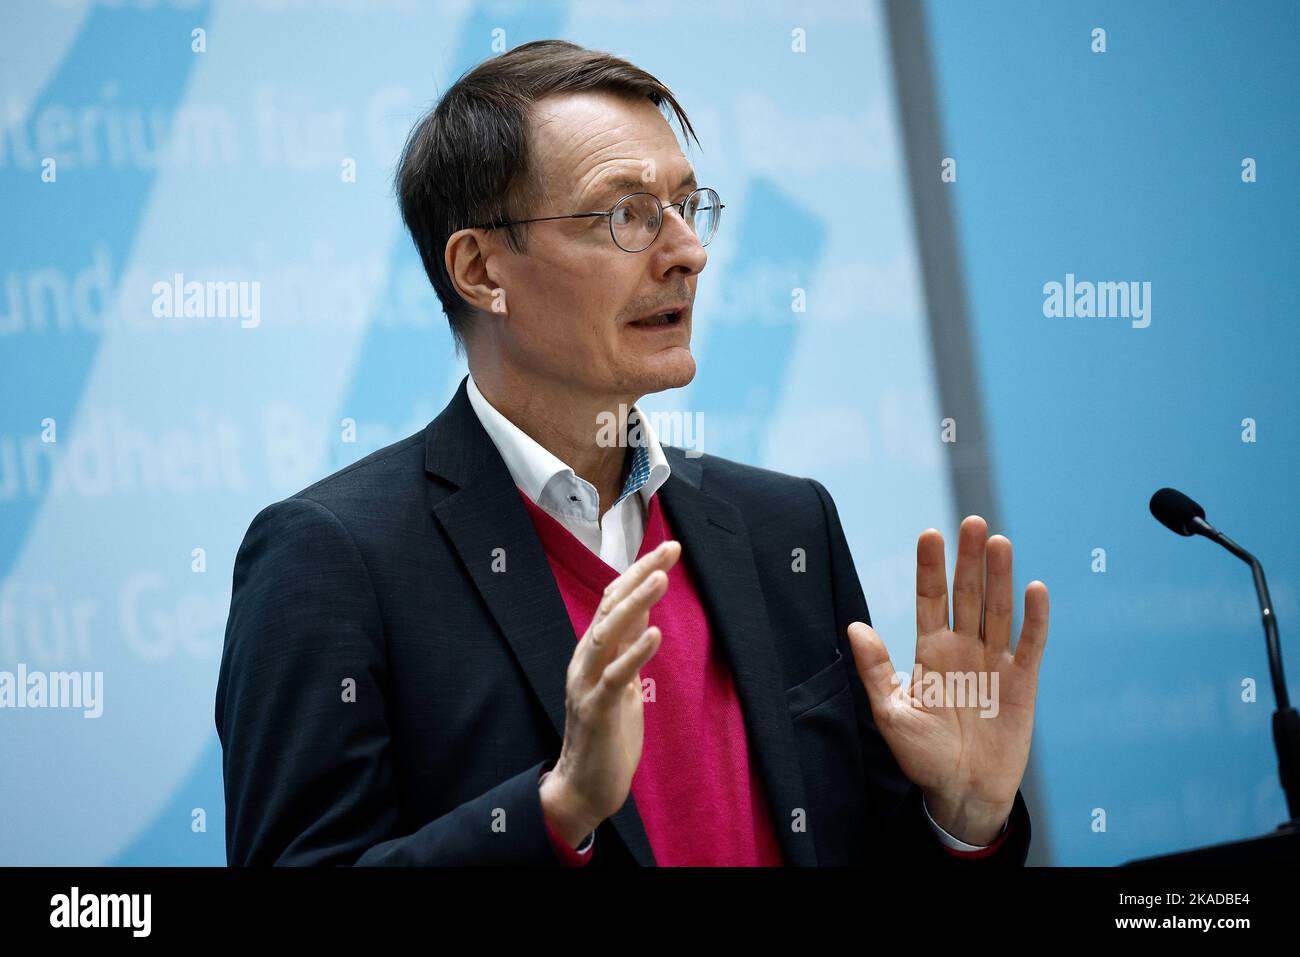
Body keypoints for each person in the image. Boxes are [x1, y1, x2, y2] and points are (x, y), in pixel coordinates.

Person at [215, 39, 1049, 866]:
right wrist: (558, 807)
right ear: (479, 269)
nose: (688, 253)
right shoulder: (330, 556)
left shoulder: (784, 524)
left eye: (689, 206)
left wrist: (961, 821)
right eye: (626, 215)